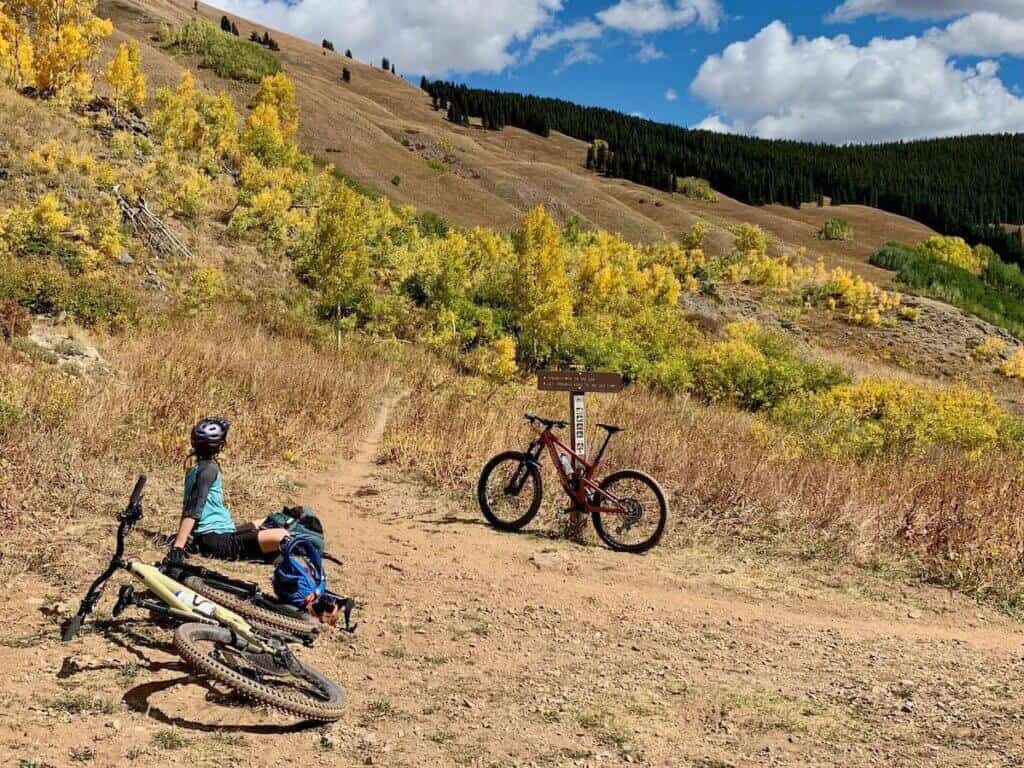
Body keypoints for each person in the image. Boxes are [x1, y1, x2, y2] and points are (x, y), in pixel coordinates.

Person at [164, 418, 289, 567]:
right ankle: (277, 553)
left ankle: (270, 551)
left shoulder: (196, 467)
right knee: (283, 535)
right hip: (216, 541)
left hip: (222, 532)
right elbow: (193, 508)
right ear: (219, 445)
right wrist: (179, 545)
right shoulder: (209, 469)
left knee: (269, 521)